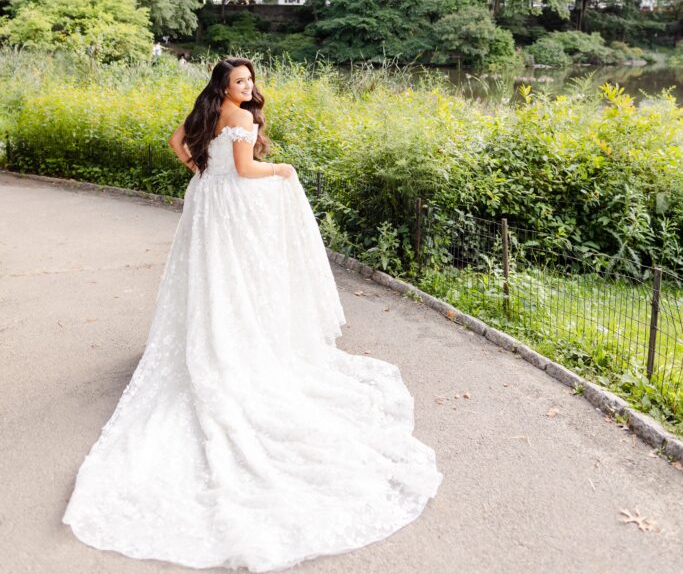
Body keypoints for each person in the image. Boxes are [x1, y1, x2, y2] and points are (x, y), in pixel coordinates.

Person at [62, 57, 442, 571]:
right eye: (240, 81)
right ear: (225, 85)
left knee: (213, 278)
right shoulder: (239, 119)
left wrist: (201, 173)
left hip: (206, 202)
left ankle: (215, 337)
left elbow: (178, 144)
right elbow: (246, 170)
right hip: (233, 204)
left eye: (250, 80)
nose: (248, 87)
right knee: (236, 278)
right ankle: (236, 346)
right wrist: (282, 169)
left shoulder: (206, 110)